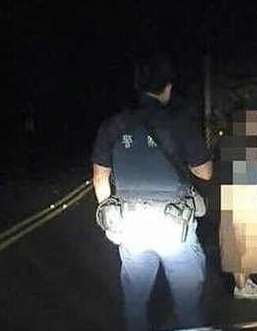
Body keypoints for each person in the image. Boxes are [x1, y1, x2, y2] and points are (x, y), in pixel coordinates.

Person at [91, 55, 213, 331]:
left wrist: (112, 220)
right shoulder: (180, 122)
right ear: (167, 87)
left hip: (132, 225)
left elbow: (100, 176)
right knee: (188, 307)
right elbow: (205, 173)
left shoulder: (114, 124)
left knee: (135, 305)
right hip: (174, 224)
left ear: (138, 86)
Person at [218, 109, 257, 299]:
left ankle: (246, 281)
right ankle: (240, 287)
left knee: (250, 243)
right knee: (238, 244)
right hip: (237, 196)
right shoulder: (231, 144)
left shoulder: (249, 144)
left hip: (250, 195)